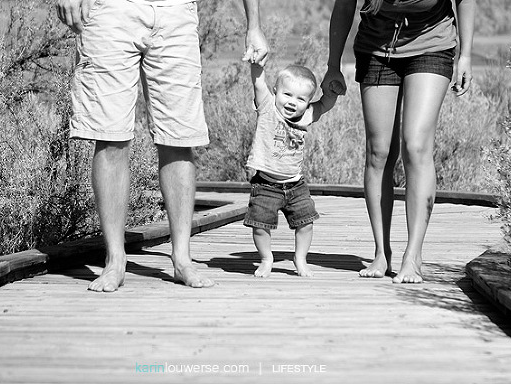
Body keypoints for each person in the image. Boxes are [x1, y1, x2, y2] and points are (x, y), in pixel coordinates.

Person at [55, 0, 270, 292]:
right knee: (111, 137)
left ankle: (182, 259)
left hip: (176, 12)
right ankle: (115, 260)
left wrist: (254, 25)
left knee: (180, 139)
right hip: (110, 10)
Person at [322, 0, 475, 283]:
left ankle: (413, 256)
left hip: (432, 45)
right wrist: (333, 65)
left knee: (416, 146)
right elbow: (344, 6)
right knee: (378, 152)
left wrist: (465, 55)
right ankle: (381, 252)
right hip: (376, 49)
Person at [242, 61, 338, 278]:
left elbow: (324, 105)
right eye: (287, 94)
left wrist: (333, 92)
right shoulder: (267, 108)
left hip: (296, 185)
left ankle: (300, 258)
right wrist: (257, 64)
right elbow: (258, 83)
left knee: (306, 222)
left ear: (307, 102)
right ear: (275, 92)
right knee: (259, 225)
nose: (292, 102)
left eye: (301, 98)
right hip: (266, 184)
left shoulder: (305, 117)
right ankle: (266, 258)